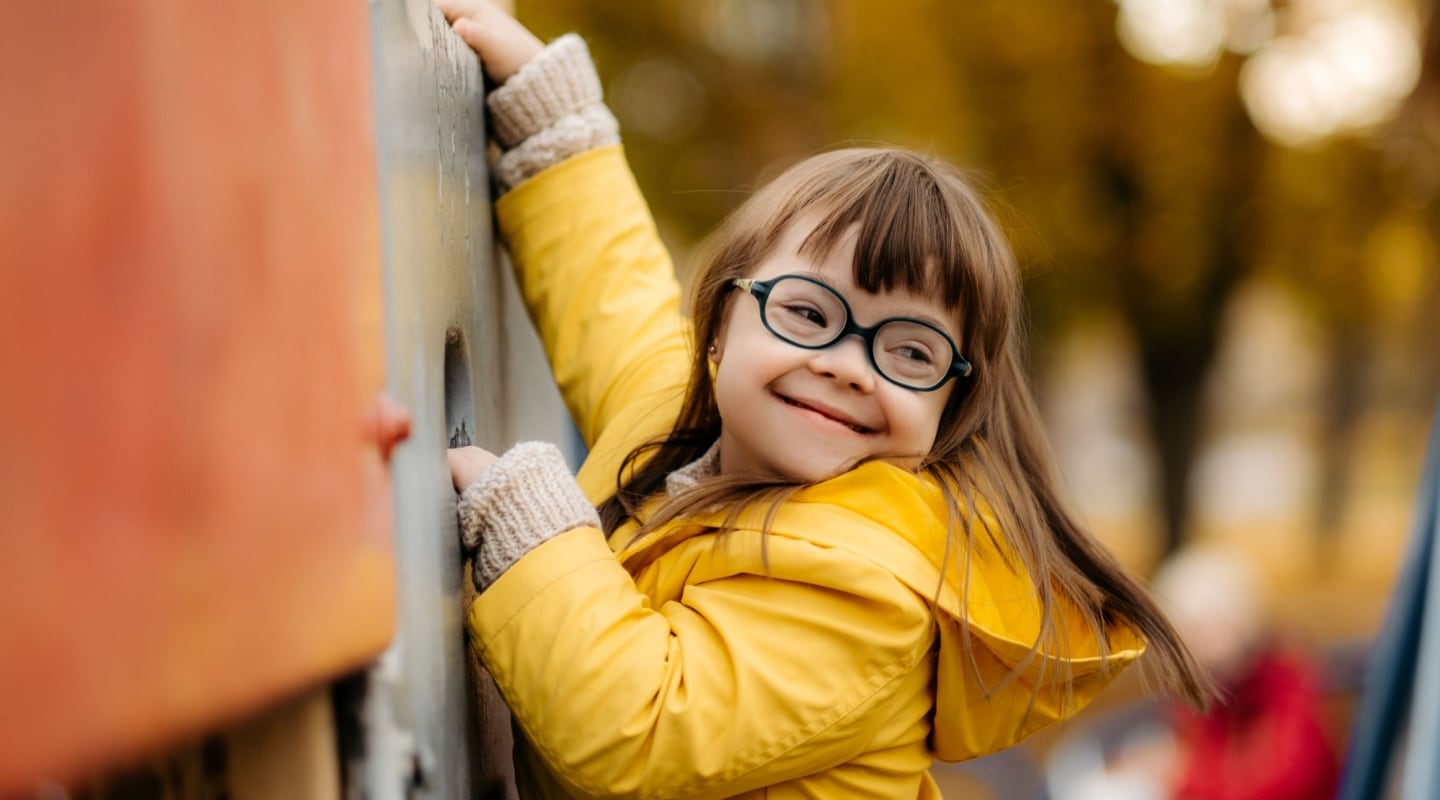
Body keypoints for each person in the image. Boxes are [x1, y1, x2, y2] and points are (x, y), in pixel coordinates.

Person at [434, 2, 1212, 796]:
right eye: (809, 313)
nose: (849, 367)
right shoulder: (677, 422)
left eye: (910, 351)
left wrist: (531, 527)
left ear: (949, 411)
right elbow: (611, 297)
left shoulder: (870, 587)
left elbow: (638, 726)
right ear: (719, 324)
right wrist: (555, 125)